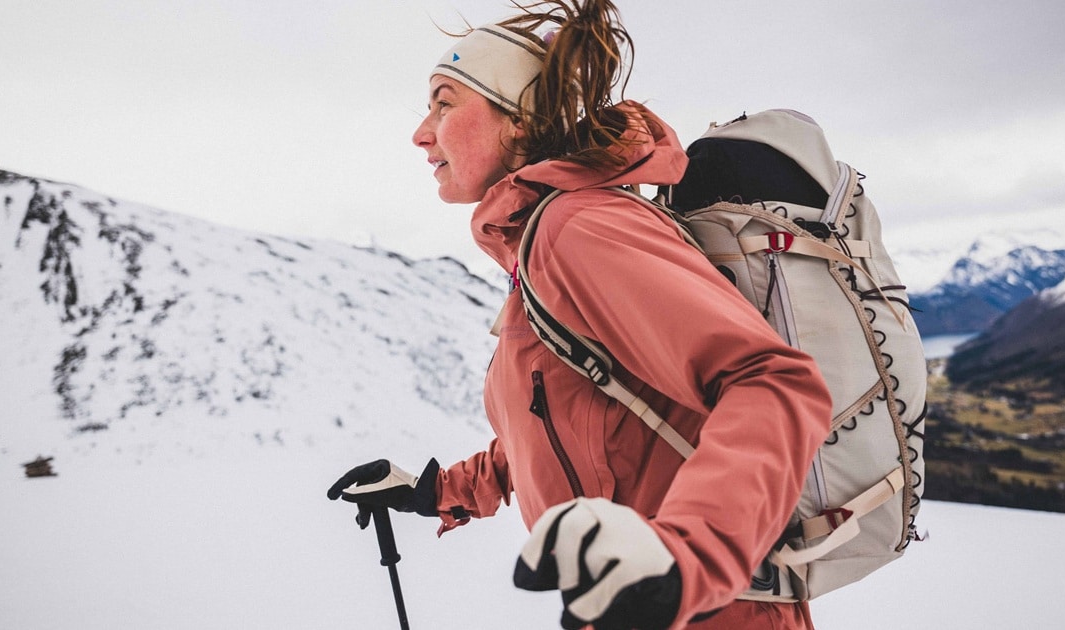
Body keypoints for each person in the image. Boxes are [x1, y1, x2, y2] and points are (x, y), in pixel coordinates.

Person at [327, 2, 832, 628]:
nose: (421, 133)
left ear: (517, 122)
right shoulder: (539, 245)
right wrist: (437, 491)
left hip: (703, 609)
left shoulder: (579, 226)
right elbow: (566, 421)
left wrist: (682, 558)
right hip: (630, 605)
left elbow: (774, 382)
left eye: (444, 104)